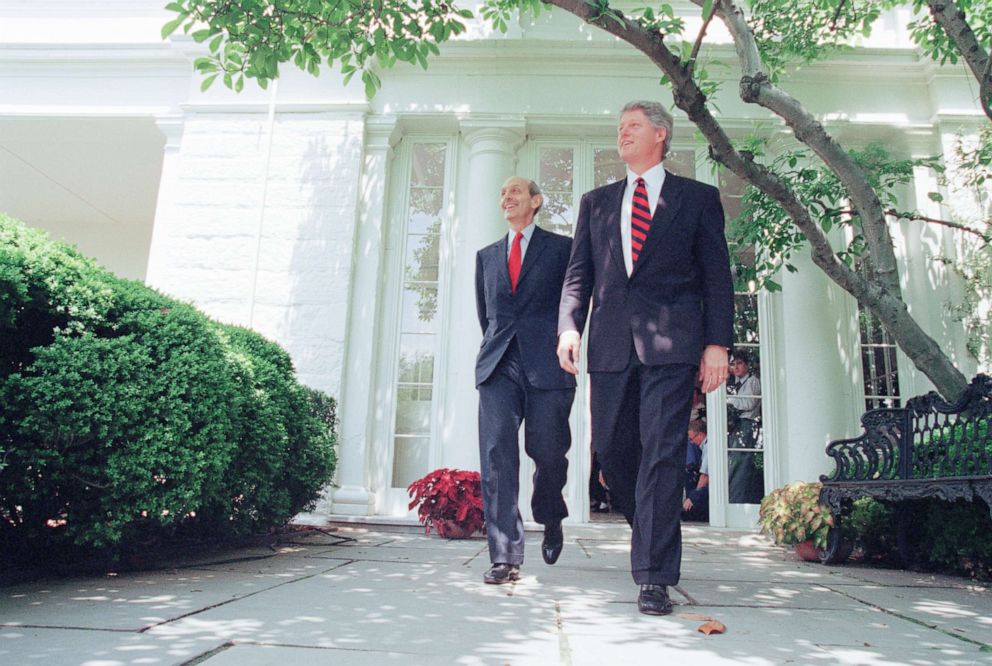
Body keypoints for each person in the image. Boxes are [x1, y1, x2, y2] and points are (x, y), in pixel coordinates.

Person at [557, 100, 734, 615]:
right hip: (611, 345)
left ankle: (654, 575)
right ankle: (654, 532)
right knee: (612, 450)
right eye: (619, 128)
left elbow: (717, 275)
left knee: (661, 452)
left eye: (632, 126)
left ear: (661, 134)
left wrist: (717, 343)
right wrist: (569, 326)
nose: (622, 133)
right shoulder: (597, 202)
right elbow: (578, 275)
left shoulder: (697, 199)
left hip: (672, 345)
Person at [475, 176, 576, 585]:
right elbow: (487, 316)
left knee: (548, 452)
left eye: (515, 191)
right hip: (499, 365)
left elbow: (573, 301)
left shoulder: (562, 249)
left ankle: (550, 514)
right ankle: (505, 555)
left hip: (548, 364)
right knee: (497, 456)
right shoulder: (486, 256)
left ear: (536, 200)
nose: (506, 197)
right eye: (502, 192)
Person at [682, 419, 710, 522]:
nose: (691, 442)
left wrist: (694, 497)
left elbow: (705, 476)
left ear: (701, 434)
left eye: (692, 438)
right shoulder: (704, 447)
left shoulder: (709, 448)